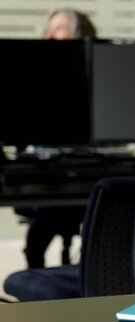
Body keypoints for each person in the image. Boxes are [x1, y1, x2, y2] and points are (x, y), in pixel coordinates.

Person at [16, 8, 98, 269]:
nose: (50, 35)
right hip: (44, 172)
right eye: (48, 29)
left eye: (59, 28)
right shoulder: (31, 76)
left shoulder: (94, 76)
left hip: (85, 173)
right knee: (39, 233)